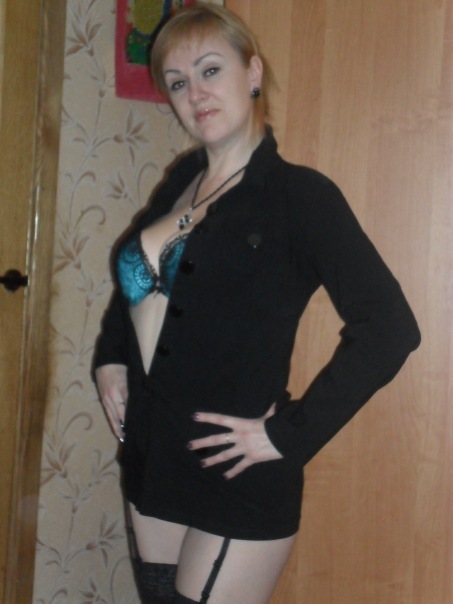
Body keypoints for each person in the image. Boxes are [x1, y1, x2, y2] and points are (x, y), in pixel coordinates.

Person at [94, 4, 420, 603]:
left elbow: (391, 328)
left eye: (210, 70)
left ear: (252, 72)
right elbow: (141, 280)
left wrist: (289, 435)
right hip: (153, 454)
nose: (195, 93)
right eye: (177, 83)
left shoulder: (302, 196)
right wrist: (111, 356)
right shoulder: (181, 182)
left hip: (237, 471)